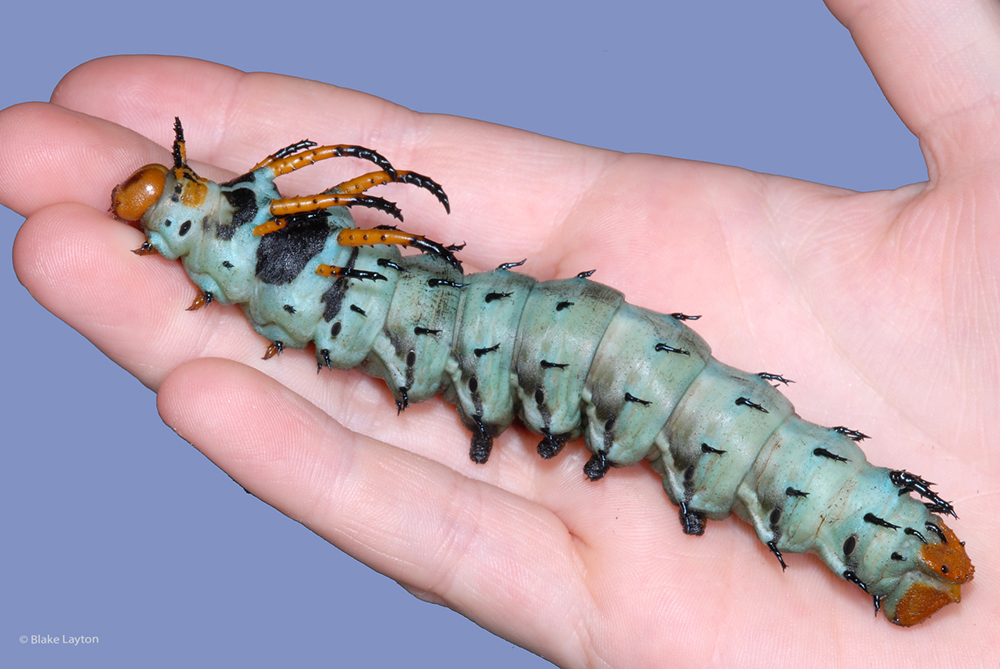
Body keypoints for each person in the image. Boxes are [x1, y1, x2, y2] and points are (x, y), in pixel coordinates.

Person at [0, 1, 995, 665]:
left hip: (464, 318)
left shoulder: (270, 241)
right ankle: (872, 528)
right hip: (433, 315)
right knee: (610, 358)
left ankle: (877, 534)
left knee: (623, 361)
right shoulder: (274, 255)